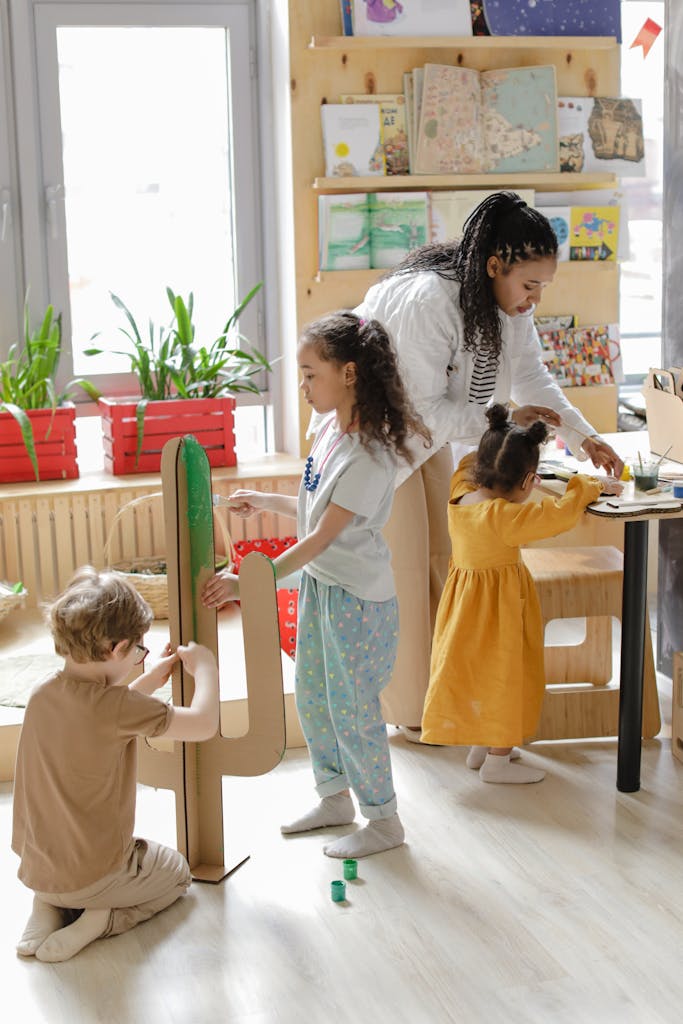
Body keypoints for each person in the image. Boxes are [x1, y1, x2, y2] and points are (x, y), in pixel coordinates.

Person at [355, 190, 625, 736]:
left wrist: (585, 437)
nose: (534, 300)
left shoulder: (505, 306)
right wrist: (503, 415)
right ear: (494, 265)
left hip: (429, 442)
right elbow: (423, 408)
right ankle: (414, 718)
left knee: (439, 567)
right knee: (406, 576)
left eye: (543, 288)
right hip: (378, 442)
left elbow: (534, 380)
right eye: (529, 286)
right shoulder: (429, 300)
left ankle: (447, 712)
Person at [201, 311, 431, 858]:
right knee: (313, 696)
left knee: (352, 708)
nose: (302, 387)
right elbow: (315, 507)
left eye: (310, 375)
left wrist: (249, 583)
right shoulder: (330, 431)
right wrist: (266, 502)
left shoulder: (371, 455)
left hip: (356, 600)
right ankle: (335, 797)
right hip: (322, 589)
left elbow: (321, 539)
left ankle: (384, 821)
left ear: (349, 374)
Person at [12, 567, 219, 963]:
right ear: (117, 648)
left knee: (59, 847)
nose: (141, 657)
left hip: (40, 869)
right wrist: (207, 669)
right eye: (139, 650)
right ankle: (99, 921)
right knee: (176, 871)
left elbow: (103, 719)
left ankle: (46, 907)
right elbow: (204, 724)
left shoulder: (42, 695)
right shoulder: (119, 707)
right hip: (95, 879)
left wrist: (151, 680)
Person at [421, 404, 623, 782]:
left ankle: (481, 746)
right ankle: (498, 759)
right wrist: (591, 485)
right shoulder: (505, 518)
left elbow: (468, 461)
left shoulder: (460, 494)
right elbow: (559, 514)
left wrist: (508, 428)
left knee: (475, 673)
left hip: (463, 611)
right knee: (506, 676)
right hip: (499, 615)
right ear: (529, 480)